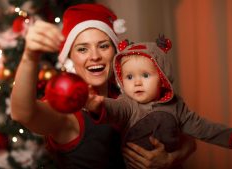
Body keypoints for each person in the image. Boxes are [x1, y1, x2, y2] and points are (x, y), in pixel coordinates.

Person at [11, 3, 196, 169]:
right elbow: (23, 113)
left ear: (115, 52)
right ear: (70, 56)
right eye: (82, 49)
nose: (94, 56)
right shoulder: (66, 112)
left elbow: (188, 140)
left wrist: (170, 159)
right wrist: (29, 57)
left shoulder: (137, 91)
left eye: (103, 46)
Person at [85, 39, 232, 168]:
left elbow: (200, 126)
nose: (137, 83)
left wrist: (227, 135)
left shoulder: (176, 105)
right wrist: (97, 105)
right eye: (129, 77)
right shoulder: (128, 104)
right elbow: (114, 109)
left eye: (145, 75)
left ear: (162, 79)